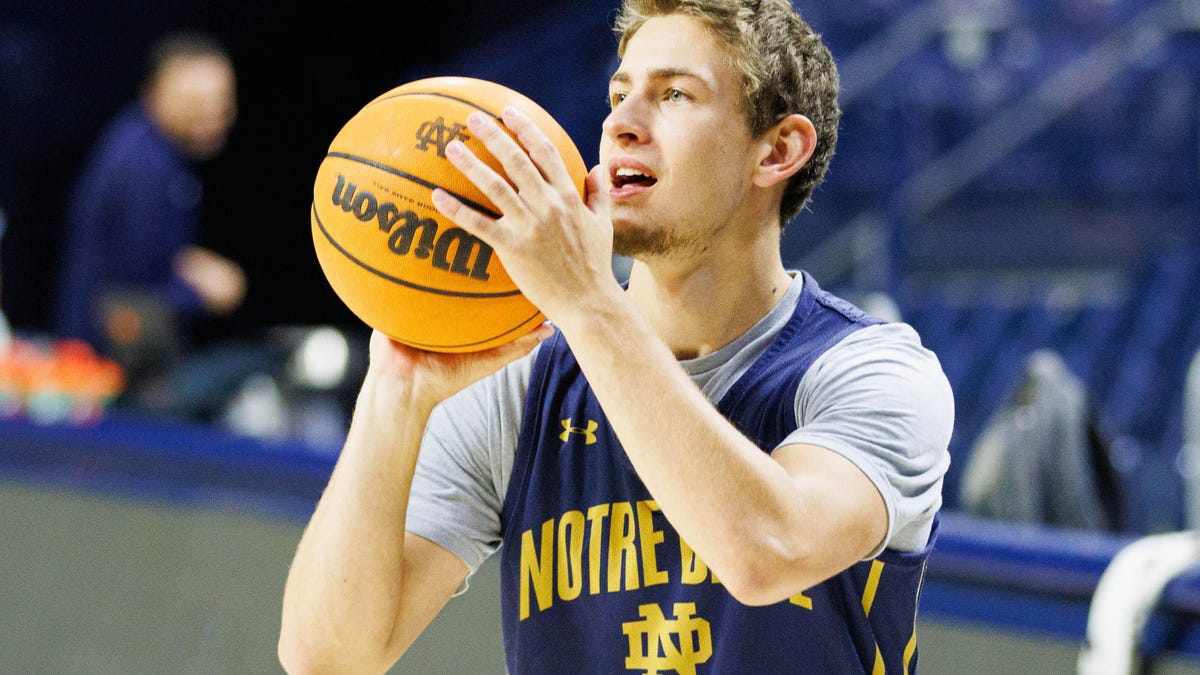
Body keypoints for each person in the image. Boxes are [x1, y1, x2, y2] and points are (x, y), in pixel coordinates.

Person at [278, 0, 954, 672]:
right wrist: (397, 388)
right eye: (619, 94)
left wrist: (586, 299)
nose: (620, 125)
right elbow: (328, 656)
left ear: (777, 150)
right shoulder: (521, 380)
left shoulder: (869, 371)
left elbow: (767, 551)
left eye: (675, 95)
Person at [52, 30, 246, 411]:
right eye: (196, 101)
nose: (213, 115)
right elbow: (135, 288)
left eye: (221, 102)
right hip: (100, 376)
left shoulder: (152, 148)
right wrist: (204, 290)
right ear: (155, 94)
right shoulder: (145, 164)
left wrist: (186, 265)